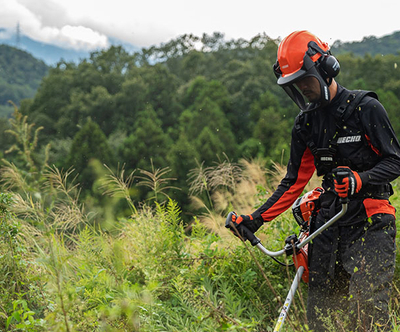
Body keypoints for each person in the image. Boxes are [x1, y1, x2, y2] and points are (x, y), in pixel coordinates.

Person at [232, 30, 400, 331]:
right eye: (294, 84)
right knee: (323, 318)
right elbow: (294, 182)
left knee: (369, 314)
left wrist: (360, 179)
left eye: (305, 80)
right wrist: (255, 219)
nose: (302, 89)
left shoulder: (365, 108)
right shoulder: (305, 124)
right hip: (327, 224)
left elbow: (395, 160)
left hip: (371, 220)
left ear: (325, 68)